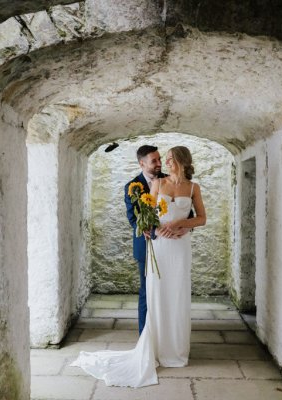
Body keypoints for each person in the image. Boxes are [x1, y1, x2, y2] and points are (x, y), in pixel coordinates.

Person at [71, 146, 206, 387]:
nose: (162, 163)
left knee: (178, 295)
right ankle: (152, 346)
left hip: (180, 247)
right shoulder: (157, 184)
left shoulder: (193, 188)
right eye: (158, 160)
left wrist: (183, 225)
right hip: (159, 246)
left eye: (167, 159)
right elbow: (144, 215)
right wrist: (156, 229)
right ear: (142, 163)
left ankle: (175, 349)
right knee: (153, 294)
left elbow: (201, 217)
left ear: (181, 162)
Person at [123, 145, 164, 334]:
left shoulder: (168, 181)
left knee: (166, 289)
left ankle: (165, 334)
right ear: (142, 163)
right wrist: (143, 229)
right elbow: (132, 217)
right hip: (144, 245)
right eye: (154, 160)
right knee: (146, 291)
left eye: (159, 159)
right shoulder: (132, 186)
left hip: (168, 245)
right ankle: (144, 336)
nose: (159, 163)